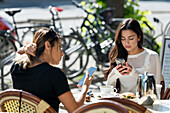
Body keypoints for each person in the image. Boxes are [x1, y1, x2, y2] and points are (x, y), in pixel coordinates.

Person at [10, 28, 93, 113]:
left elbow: (19, 54)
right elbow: (75, 110)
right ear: (48, 45)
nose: (62, 53)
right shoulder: (55, 75)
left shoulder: (17, 67)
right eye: (59, 47)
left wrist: (25, 49)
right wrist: (85, 88)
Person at [103, 18, 162, 93]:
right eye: (123, 39)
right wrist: (114, 73)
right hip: (120, 103)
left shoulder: (152, 56)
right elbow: (108, 89)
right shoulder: (118, 56)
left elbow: (155, 89)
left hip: (142, 103)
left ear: (139, 37)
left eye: (131, 38)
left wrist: (134, 73)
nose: (126, 43)